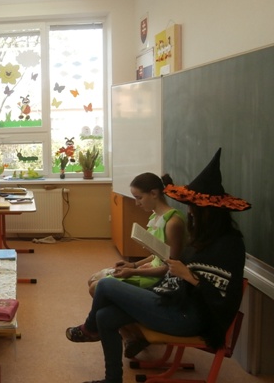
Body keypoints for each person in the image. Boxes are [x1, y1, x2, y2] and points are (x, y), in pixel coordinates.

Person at [66, 148, 249, 383]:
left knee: (105, 286)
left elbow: (224, 296)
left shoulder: (229, 245)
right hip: (172, 301)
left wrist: (189, 276)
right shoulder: (202, 238)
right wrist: (164, 269)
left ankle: (89, 330)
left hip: (189, 317)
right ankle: (112, 378)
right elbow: (180, 268)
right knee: (105, 316)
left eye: (194, 208)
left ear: (209, 213)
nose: (190, 212)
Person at [87, 173, 186, 357]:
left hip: (157, 280)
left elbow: (170, 268)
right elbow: (158, 255)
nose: (137, 203)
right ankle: (131, 334)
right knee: (92, 279)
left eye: (139, 198)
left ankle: (133, 334)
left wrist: (134, 272)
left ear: (154, 193)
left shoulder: (173, 223)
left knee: (96, 287)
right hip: (148, 271)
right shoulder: (157, 217)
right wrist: (133, 266)